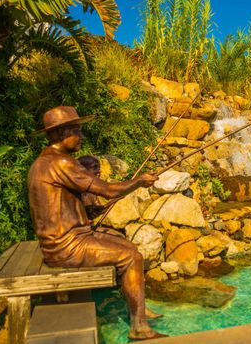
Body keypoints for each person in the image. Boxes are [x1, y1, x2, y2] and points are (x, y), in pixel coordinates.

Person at [28, 106, 166, 340]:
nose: (81, 137)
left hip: (61, 242)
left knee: (122, 242)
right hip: (66, 247)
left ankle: (137, 307)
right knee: (132, 256)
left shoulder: (43, 162)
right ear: (62, 134)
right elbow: (107, 190)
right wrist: (139, 181)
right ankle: (138, 327)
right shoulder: (61, 163)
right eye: (77, 131)